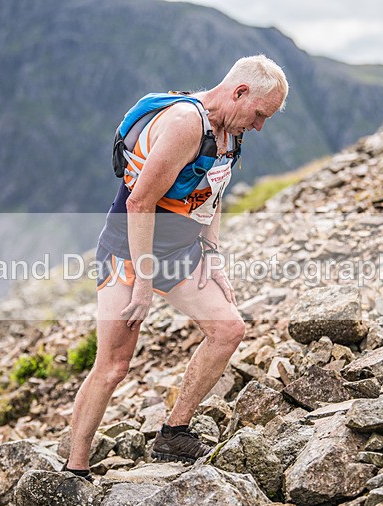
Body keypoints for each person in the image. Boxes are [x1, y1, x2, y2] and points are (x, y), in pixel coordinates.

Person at [63, 55, 288, 481]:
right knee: (113, 365)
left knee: (229, 330)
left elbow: (213, 193)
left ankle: (174, 430)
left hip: (181, 251)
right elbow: (139, 203)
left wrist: (213, 256)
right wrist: (143, 283)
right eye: (260, 115)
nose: (259, 126)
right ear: (240, 92)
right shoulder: (187, 122)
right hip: (129, 253)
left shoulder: (230, 133)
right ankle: (75, 468)